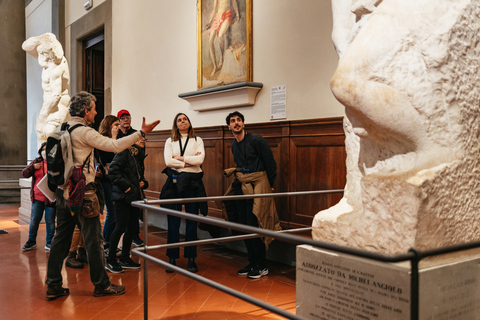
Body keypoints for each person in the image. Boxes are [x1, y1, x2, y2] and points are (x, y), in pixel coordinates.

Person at [45, 91, 160, 300]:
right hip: (84, 195)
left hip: (63, 193)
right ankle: (102, 285)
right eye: (94, 109)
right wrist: (140, 133)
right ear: (86, 111)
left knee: (60, 240)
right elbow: (115, 146)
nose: (96, 113)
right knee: (95, 242)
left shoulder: (62, 128)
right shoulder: (84, 132)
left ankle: (53, 284)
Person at [222, 111, 281, 279]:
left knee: (255, 223)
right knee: (243, 224)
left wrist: (269, 184)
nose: (236, 123)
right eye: (233, 121)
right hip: (243, 185)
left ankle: (262, 265)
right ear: (229, 127)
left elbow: (270, 163)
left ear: (243, 123)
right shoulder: (234, 144)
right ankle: (252, 262)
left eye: (239, 120)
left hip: (259, 184)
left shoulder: (256, 140)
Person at [160, 113, 207, 273]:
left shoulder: (197, 140)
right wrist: (189, 161)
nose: (182, 121)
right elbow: (168, 162)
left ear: (189, 122)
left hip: (192, 183)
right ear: (176, 124)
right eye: (179, 120)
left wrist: (179, 159)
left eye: (185, 119)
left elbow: (200, 161)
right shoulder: (169, 141)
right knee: (173, 221)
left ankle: (191, 258)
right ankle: (172, 258)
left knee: (192, 221)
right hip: (174, 183)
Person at [105, 136, 149, 273]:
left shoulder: (137, 156)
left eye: (144, 138)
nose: (143, 140)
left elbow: (137, 176)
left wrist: (143, 183)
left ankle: (124, 258)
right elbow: (112, 172)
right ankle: (110, 260)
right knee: (120, 227)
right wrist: (128, 187)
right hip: (123, 197)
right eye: (140, 138)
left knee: (132, 227)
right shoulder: (124, 152)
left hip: (133, 197)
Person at [22, 33, 70, 143]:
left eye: (41, 53)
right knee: (43, 138)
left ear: (48, 54)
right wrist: (45, 39)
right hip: (49, 108)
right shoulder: (47, 63)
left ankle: (48, 160)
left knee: (48, 134)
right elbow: (25, 46)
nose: (39, 56)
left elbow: (56, 95)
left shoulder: (56, 67)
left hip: (57, 108)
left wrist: (42, 117)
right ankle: (45, 160)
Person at [116, 109, 144, 247]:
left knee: (135, 211)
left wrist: (142, 178)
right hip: (121, 179)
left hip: (134, 174)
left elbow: (140, 157)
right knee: (121, 218)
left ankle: (135, 236)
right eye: (123, 118)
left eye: (128, 117)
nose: (126, 120)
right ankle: (113, 245)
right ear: (119, 121)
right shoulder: (116, 135)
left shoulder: (135, 134)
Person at [22, 142, 56, 251]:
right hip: (37, 197)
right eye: (43, 149)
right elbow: (25, 173)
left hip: (50, 198)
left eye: (47, 149)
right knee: (34, 220)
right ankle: (31, 241)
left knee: (50, 221)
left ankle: (49, 242)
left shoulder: (55, 162)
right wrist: (32, 167)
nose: (44, 152)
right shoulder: (36, 162)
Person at [96, 115, 120, 255]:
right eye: (115, 124)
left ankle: (110, 243)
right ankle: (105, 243)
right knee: (112, 211)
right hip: (106, 180)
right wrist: (114, 138)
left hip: (115, 179)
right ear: (109, 126)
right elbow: (112, 157)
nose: (118, 127)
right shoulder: (103, 141)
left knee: (115, 212)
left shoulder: (116, 139)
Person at [205, 0, 240, 76]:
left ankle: (221, 58)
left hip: (227, 15)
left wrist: (237, 14)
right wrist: (210, 21)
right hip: (218, 18)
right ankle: (215, 67)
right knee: (210, 40)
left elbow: (234, 2)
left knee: (220, 35)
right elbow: (214, 9)